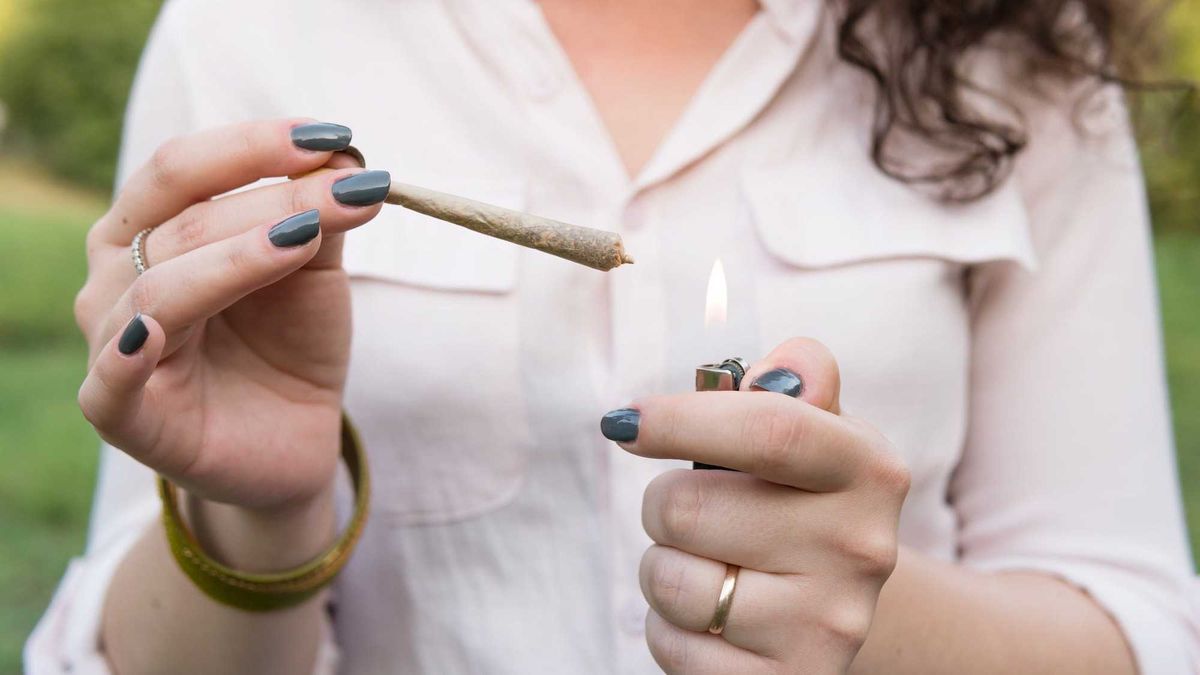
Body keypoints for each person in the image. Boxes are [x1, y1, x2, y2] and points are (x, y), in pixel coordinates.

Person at [26, 0, 1200, 673]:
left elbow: (1138, 626)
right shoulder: (250, 28)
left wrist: (853, 604)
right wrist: (265, 511)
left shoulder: (1021, 45)